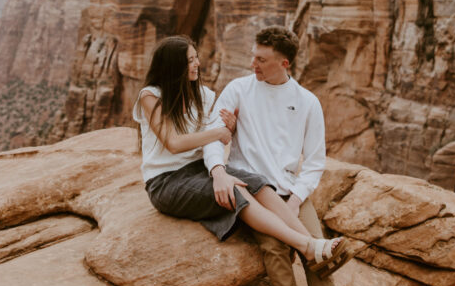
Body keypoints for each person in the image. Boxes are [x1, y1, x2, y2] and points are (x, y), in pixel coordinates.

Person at [202, 24, 379, 286]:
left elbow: (314, 162)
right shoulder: (238, 89)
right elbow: (212, 134)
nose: (253, 63)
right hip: (253, 190)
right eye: (253, 56)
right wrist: (218, 169)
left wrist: (296, 199)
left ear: (284, 63)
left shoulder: (308, 102)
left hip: (291, 194)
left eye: (262, 59)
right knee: (273, 249)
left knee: (318, 250)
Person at [133, 35, 351, 272]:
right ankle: (306, 246)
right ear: (174, 65)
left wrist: (230, 129)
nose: (197, 64)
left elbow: (221, 133)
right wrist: (218, 133)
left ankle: (316, 246)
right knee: (235, 192)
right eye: (190, 60)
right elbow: (174, 143)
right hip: (166, 181)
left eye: (196, 58)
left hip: (197, 170)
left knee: (257, 182)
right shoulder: (151, 95)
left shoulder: (204, 96)